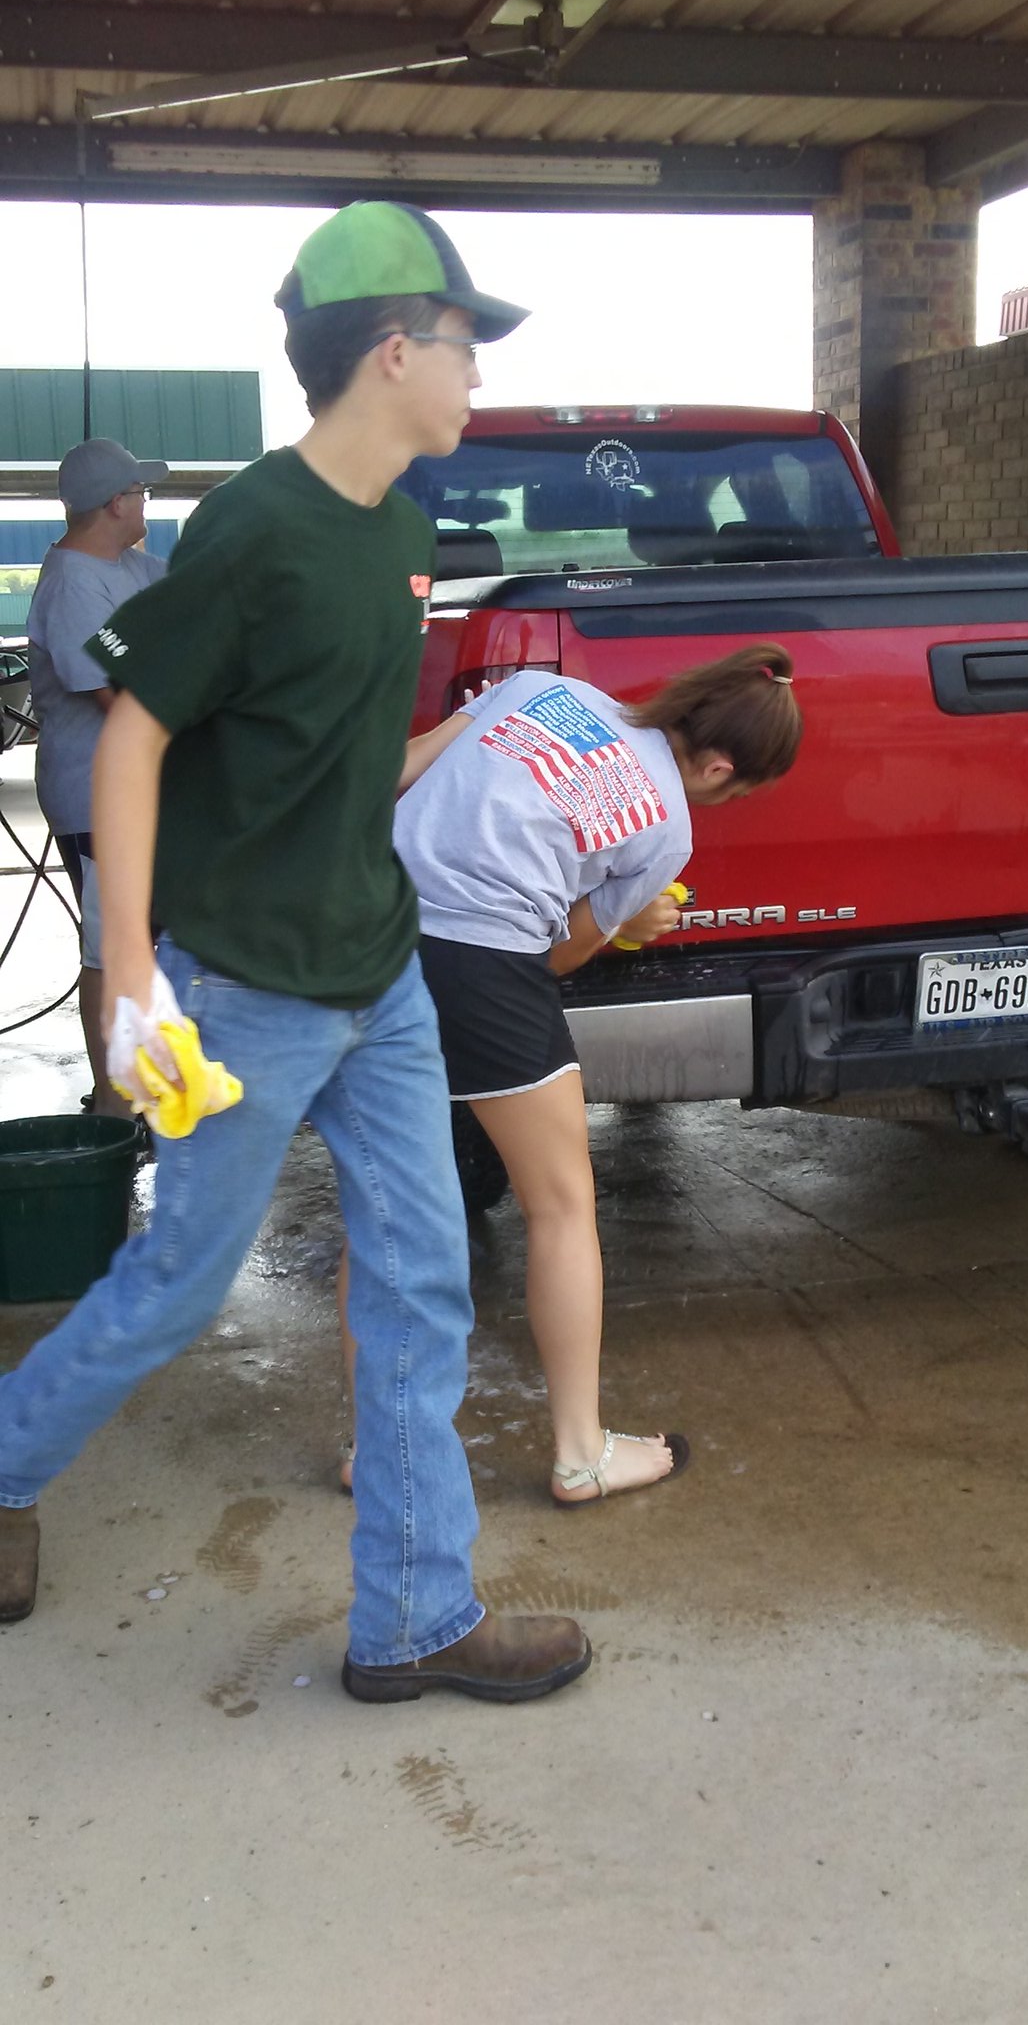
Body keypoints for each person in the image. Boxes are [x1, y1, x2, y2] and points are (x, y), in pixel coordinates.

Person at [0, 200, 592, 1709]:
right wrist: (129, 962)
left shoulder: (405, 532)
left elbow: (335, 743)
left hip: (378, 978)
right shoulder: (256, 528)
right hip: (245, 990)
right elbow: (135, 737)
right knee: (180, 1290)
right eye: (465, 348)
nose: (480, 378)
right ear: (394, 351)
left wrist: (464, 733)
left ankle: (411, 1618)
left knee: (423, 1282)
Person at [336, 645, 803, 1504]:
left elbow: (398, 771)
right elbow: (557, 957)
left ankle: (380, 1452)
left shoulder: (538, 690)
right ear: (719, 766)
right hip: (484, 965)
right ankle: (582, 1453)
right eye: (735, 790)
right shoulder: (666, 829)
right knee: (560, 1207)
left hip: (365, 926)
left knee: (384, 1207)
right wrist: (635, 922)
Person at [25, 439, 170, 1114]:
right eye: (141, 493)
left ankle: (159, 1079)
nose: (146, 503)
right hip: (98, 796)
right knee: (112, 944)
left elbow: (204, 591)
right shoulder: (74, 584)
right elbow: (120, 698)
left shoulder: (131, 568)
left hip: (147, 791)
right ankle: (113, 1107)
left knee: (151, 936)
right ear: (117, 502)